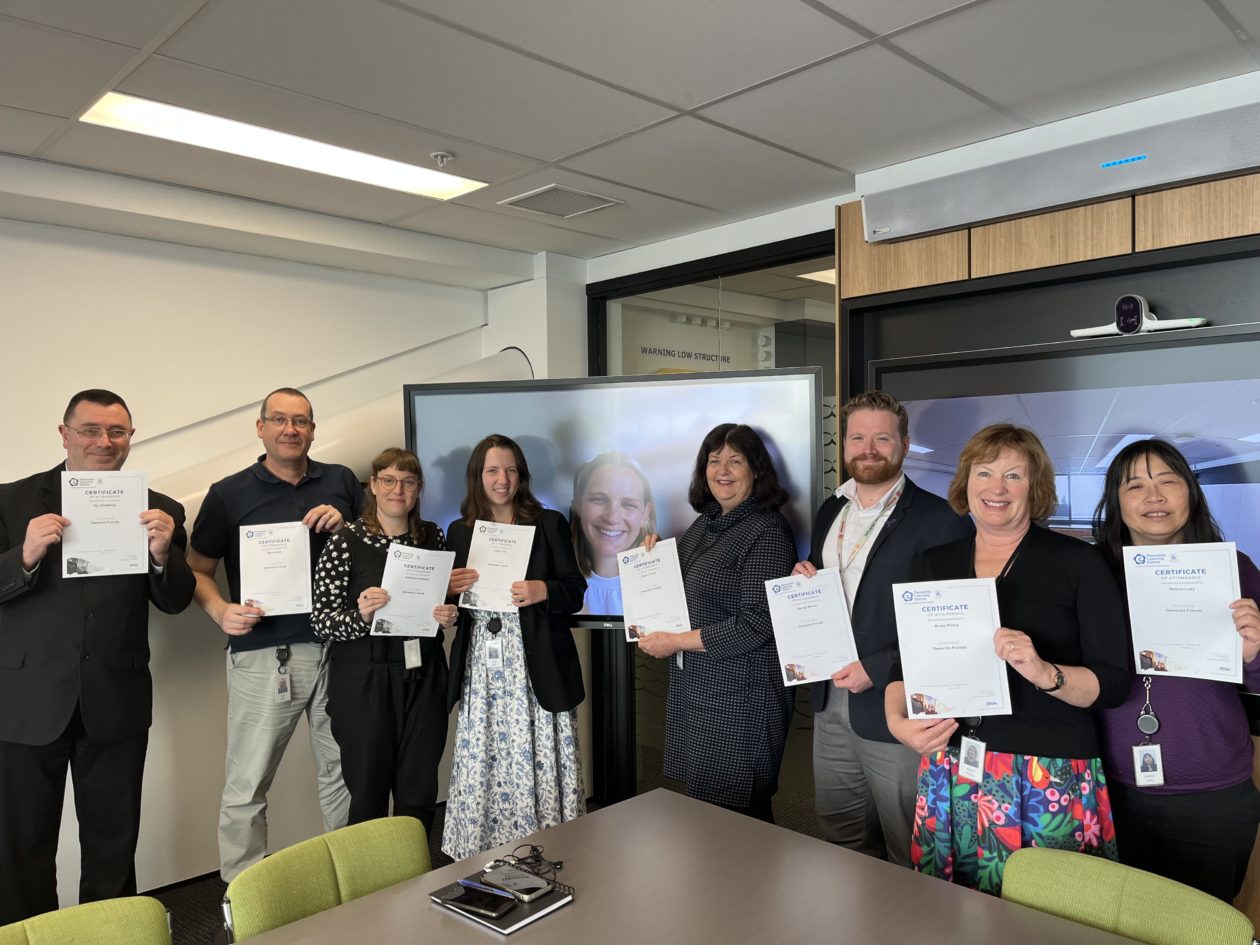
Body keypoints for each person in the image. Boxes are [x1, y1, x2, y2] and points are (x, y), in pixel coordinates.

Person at [885, 423, 1130, 896]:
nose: (997, 488)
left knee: (1048, 913)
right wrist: (897, 720)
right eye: (984, 473)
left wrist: (1045, 672)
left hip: (1046, 774)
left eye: (1014, 476)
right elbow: (904, 666)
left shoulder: (1078, 563)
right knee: (951, 908)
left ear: (1034, 489)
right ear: (966, 483)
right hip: (952, 767)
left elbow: (1115, 683)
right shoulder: (934, 563)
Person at [0, 389, 194, 923]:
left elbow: (175, 600)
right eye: (90, 430)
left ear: (130, 437)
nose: (104, 442)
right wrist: (25, 555)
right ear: (64, 435)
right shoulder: (10, 501)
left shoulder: (163, 510)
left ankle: (109, 936)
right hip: (25, 703)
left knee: (112, 845)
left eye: (117, 432)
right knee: (20, 850)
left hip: (117, 700)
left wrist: (161, 556)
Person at [187, 387, 362, 881]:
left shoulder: (343, 481)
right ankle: (241, 899)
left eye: (301, 421)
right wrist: (220, 610)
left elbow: (378, 545)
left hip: (341, 648)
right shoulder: (228, 493)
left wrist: (348, 523)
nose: (291, 429)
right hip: (267, 655)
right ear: (260, 428)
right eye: (280, 420)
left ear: (312, 429)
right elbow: (197, 568)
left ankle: (355, 884)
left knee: (345, 774)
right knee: (247, 784)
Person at [791, 391, 969, 866]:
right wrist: (804, 576)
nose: (868, 448)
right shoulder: (832, 510)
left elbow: (952, 626)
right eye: (857, 437)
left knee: (908, 843)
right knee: (841, 835)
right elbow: (835, 579)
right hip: (829, 702)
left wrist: (879, 665)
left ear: (905, 444)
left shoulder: (942, 521)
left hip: (897, 705)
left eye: (882, 438)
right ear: (844, 445)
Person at [1093, 438, 1260, 901]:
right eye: (1136, 485)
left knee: (1200, 926)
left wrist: (1254, 652)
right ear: (1116, 501)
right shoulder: (1089, 574)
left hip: (1213, 795)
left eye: (1168, 481)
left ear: (1191, 491)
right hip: (1111, 789)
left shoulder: (1236, 570)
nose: (1154, 497)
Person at [637, 423, 796, 822]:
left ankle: (752, 884)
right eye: (714, 460)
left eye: (735, 461)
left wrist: (675, 642)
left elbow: (757, 624)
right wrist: (655, 559)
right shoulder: (708, 522)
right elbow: (690, 584)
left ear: (756, 470)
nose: (722, 470)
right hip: (703, 690)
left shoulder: (766, 530)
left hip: (743, 697)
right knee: (710, 816)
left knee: (740, 817)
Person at [442, 434, 587, 858]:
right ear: (477, 477)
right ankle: (482, 848)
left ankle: (547, 845)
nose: (501, 479)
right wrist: (449, 589)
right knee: (484, 752)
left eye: (509, 470)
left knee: (536, 752)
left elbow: (574, 590)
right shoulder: (460, 530)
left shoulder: (549, 523)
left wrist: (544, 589)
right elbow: (451, 601)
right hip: (482, 667)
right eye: (492, 470)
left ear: (521, 475)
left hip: (535, 663)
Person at [312, 448, 458, 835]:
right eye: (389, 480)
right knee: (368, 795)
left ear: (418, 489)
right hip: (364, 681)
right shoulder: (345, 542)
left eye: (408, 482)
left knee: (419, 790)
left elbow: (442, 601)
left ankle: (415, 885)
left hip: (423, 676)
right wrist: (360, 616)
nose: (399, 490)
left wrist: (447, 613)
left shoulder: (432, 536)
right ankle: (372, 892)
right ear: (373, 486)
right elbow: (322, 622)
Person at [570, 451, 656, 615]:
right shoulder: (549, 582)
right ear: (578, 505)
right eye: (599, 499)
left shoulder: (665, 585)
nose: (612, 517)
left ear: (646, 513)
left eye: (629, 504)